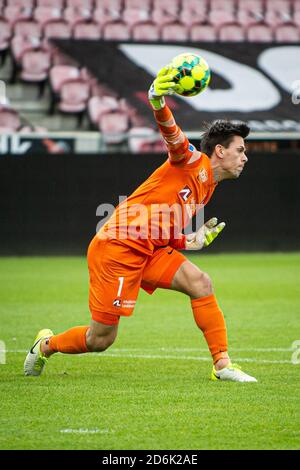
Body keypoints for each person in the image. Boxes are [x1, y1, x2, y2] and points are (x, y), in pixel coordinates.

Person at [24, 66, 257, 382]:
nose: (245, 157)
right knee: (101, 339)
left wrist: (192, 240)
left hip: (148, 251)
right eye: (240, 150)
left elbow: (162, 228)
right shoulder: (191, 161)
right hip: (117, 249)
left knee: (200, 282)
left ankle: (222, 365)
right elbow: (172, 135)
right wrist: (157, 100)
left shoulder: (208, 186)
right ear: (219, 150)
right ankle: (46, 345)